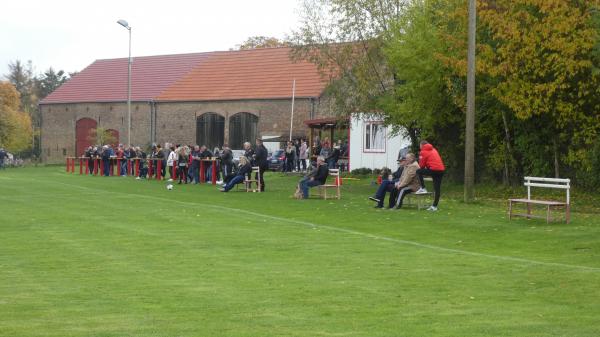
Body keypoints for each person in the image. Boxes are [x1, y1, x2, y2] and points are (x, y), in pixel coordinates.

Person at [415, 141, 446, 211]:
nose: (419, 147)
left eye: (420, 145)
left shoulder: (423, 152)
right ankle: (434, 206)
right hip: (441, 170)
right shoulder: (434, 149)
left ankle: (423, 188)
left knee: (418, 171)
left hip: (434, 170)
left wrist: (425, 167)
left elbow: (421, 166)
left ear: (422, 145)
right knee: (437, 189)